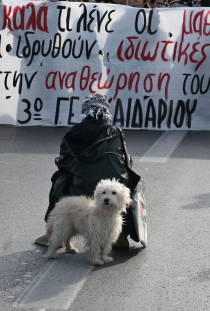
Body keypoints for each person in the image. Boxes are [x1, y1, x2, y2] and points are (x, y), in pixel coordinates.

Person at [34, 94, 137, 248]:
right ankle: (123, 231)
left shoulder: (72, 135)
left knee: (59, 177)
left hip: (80, 191)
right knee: (127, 184)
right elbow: (128, 163)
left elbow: (63, 163)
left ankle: (56, 231)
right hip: (112, 193)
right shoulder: (116, 133)